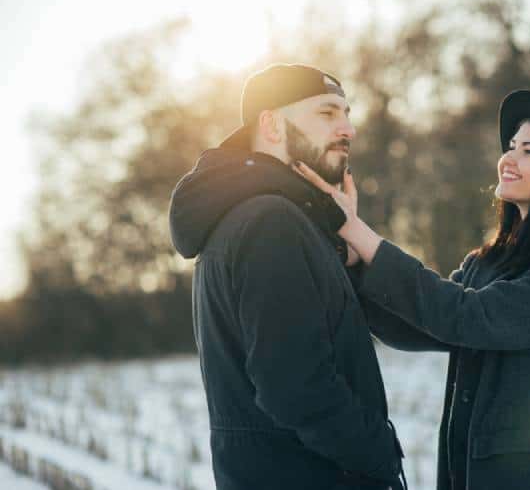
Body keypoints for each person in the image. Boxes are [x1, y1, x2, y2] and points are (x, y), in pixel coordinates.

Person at [291, 90, 530, 490]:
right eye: (511, 145)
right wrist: (357, 266)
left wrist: (358, 231)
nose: (508, 158)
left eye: (528, 151)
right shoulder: (488, 262)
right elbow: (425, 324)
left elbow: (469, 316)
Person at [168, 63, 405, 490]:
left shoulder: (255, 217)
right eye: (328, 113)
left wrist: (342, 235)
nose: (348, 128)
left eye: (347, 113)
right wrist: (379, 456)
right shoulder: (269, 223)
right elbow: (295, 389)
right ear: (272, 124)